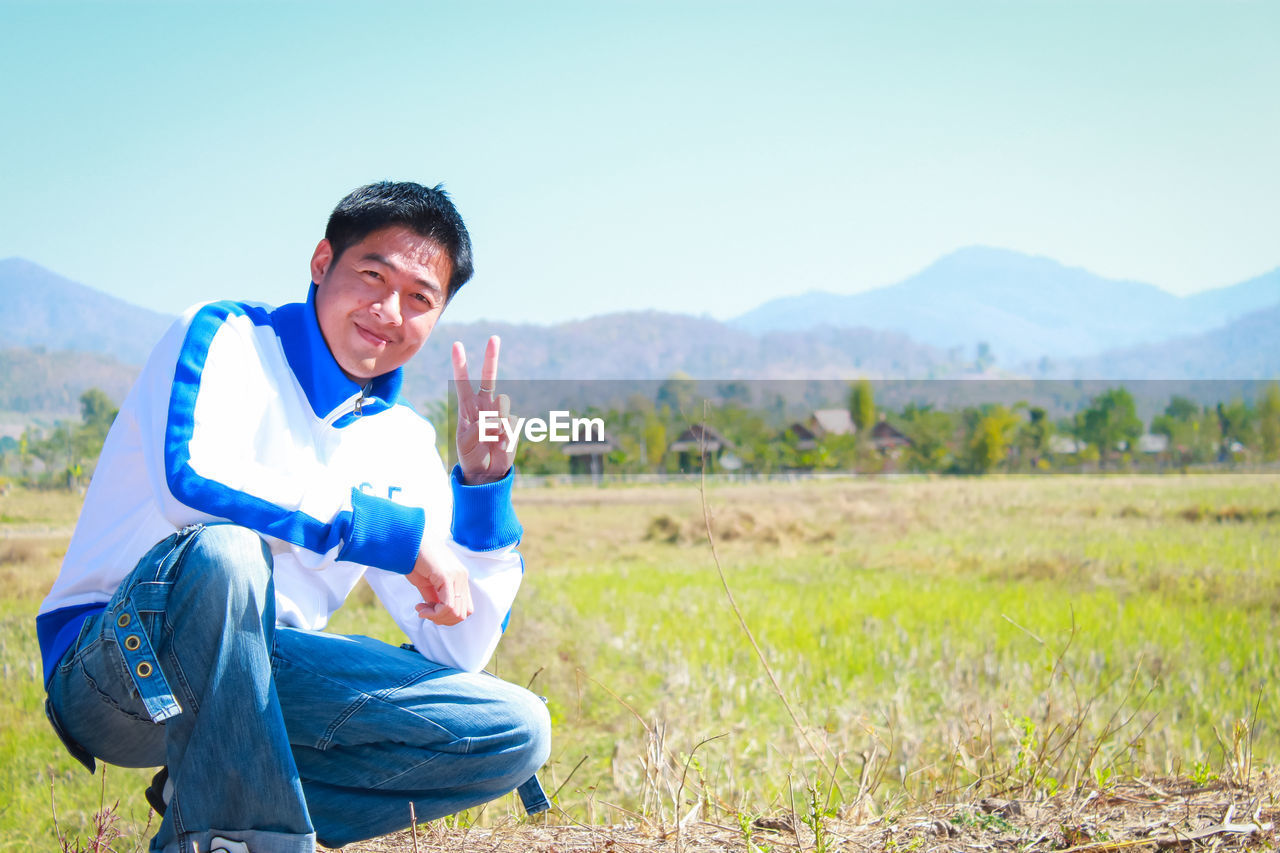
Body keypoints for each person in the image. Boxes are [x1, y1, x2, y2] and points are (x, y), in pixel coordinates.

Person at [36, 181, 551, 853]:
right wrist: (389, 534)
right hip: (122, 665)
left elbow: (457, 646)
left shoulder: (402, 439)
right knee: (225, 552)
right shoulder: (229, 338)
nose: (388, 310)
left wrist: (484, 491)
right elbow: (190, 483)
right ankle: (242, 831)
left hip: (265, 679)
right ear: (320, 262)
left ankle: (212, 795)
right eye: (373, 275)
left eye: (420, 298)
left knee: (517, 726)